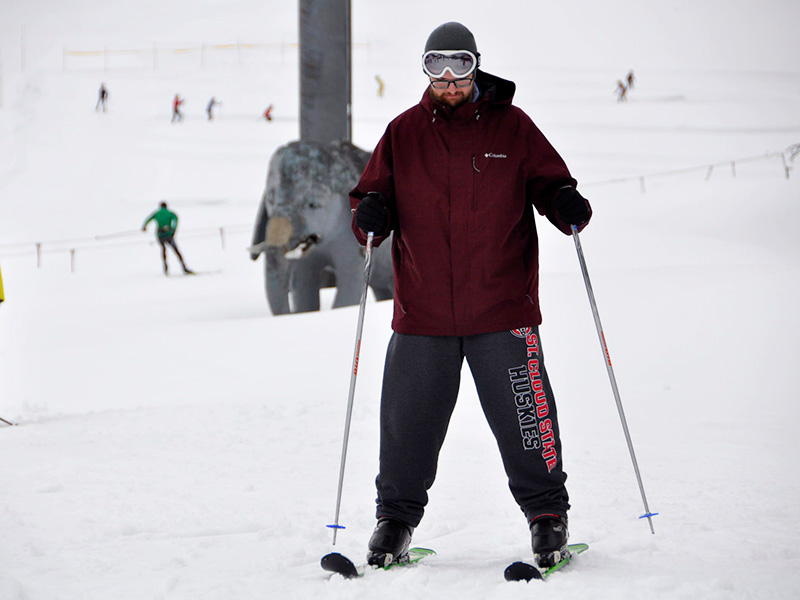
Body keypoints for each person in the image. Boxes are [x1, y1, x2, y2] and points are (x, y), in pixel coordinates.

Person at [349, 22, 592, 570]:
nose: (449, 78)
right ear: (426, 69)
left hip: (501, 305)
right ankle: (395, 522)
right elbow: (370, 197)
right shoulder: (404, 132)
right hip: (423, 311)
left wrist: (564, 202)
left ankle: (547, 517)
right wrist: (370, 215)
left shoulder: (513, 128)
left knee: (526, 417)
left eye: (460, 64)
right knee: (407, 423)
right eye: (436, 65)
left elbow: (550, 182)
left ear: (475, 65)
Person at [141, 202, 193, 275]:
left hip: (160, 235)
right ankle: (184, 268)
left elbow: (148, 219)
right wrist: (173, 229)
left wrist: (144, 227)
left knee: (163, 250)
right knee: (176, 251)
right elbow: (176, 219)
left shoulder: (156, 213)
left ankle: (165, 268)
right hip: (169, 235)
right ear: (166, 206)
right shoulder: (170, 213)